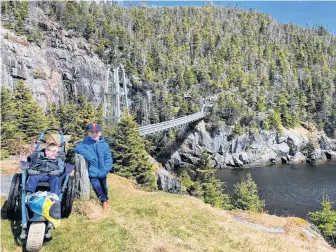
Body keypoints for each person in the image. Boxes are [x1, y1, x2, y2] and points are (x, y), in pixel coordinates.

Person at [74, 123, 113, 212]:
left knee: (104, 187)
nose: (94, 134)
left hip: (103, 171)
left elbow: (108, 158)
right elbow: (77, 148)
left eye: (96, 132)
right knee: (96, 187)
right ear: (89, 133)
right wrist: (89, 156)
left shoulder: (105, 145)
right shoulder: (85, 143)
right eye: (92, 132)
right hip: (93, 171)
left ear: (100, 133)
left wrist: (107, 168)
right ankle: (103, 201)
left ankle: (106, 199)